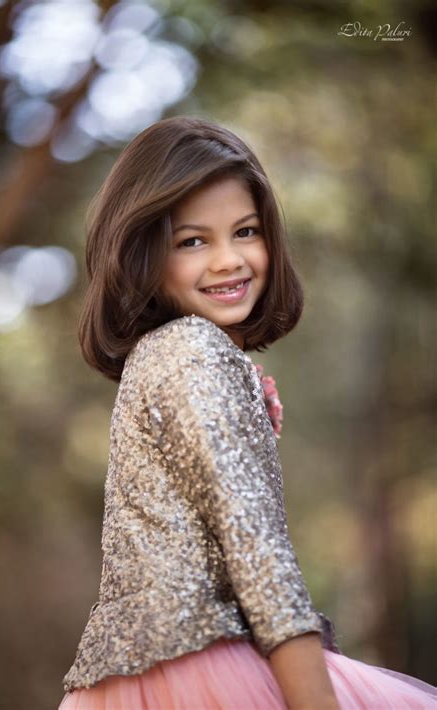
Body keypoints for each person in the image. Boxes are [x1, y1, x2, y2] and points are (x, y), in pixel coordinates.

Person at [58, 116, 437, 709]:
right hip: (198, 669)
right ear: (143, 253)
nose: (228, 260)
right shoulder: (192, 354)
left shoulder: (166, 357)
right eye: (193, 241)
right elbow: (260, 561)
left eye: (246, 231)